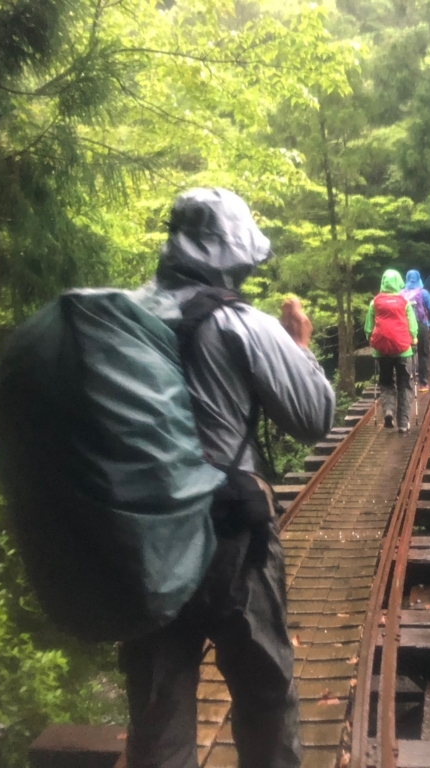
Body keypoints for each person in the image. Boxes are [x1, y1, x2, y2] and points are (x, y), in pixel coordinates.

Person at [120, 188, 336, 768]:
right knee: (265, 692)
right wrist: (298, 347)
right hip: (231, 538)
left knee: (157, 710)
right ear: (231, 256)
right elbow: (315, 417)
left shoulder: (122, 320)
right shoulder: (240, 322)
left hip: (143, 539)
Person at [364, 269, 418, 432]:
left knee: (386, 382)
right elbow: (412, 326)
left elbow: (368, 327)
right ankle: (403, 423)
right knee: (404, 385)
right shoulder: (405, 303)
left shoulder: (375, 302)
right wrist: (414, 337)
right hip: (403, 350)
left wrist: (372, 339)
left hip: (382, 351)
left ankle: (388, 412)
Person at [400, 269, 430, 393]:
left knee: (406, 353)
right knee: (423, 354)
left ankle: (408, 378)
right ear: (419, 279)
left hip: (405, 327)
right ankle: (423, 384)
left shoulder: (400, 294)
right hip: (421, 326)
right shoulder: (423, 293)